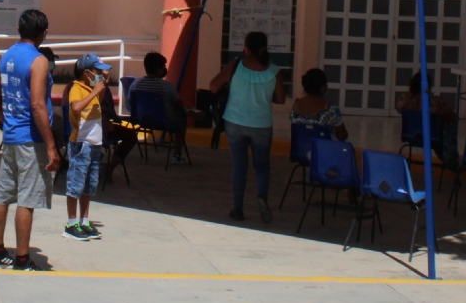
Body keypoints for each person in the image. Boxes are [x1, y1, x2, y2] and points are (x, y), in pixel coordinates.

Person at [0, 9, 60, 271]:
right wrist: (52, 146)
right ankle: (21, 257)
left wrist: (4, 119)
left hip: (11, 138)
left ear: (19, 29)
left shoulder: (7, 56)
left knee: (3, 194)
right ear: (45, 32)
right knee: (27, 199)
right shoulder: (38, 61)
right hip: (31, 140)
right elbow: (38, 105)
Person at [207, 31, 289, 223]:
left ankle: (237, 208)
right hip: (261, 125)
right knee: (262, 166)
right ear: (264, 49)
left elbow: (212, 86)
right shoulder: (274, 71)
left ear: (246, 48)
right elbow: (281, 99)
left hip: (234, 123)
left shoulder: (235, 65)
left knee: (239, 166)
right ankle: (262, 197)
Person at [62, 53, 110, 241]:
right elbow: (75, 108)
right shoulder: (77, 87)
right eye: (97, 72)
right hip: (81, 143)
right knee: (76, 183)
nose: (99, 75)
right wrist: (94, 91)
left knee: (90, 184)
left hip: (95, 142)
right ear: (86, 72)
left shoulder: (94, 88)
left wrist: (102, 84)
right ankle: (71, 222)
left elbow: (101, 97)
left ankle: (84, 220)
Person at [127, 51, 189, 163]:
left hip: (142, 119)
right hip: (164, 120)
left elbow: (131, 102)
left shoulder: (135, 84)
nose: (165, 69)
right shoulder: (167, 86)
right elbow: (178, 104)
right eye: (163, 67)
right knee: (182, 118)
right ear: (158, 69)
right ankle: (177, 154)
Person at [290, 68, 346, 140]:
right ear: (323, 87)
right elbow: (342, 136)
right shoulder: (331, 109)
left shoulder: (296, 105)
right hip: (323, 150)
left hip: (300, 149)